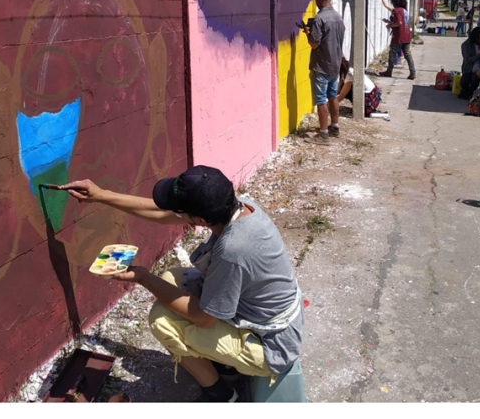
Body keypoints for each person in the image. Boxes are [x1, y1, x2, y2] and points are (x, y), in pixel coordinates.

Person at [60, 166, 304, 403]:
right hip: (259, 311)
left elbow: (204, 318)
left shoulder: (233, 250)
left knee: (163, 321)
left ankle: (221, 395)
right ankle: (226, 366)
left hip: (272, 346)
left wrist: (143, 277)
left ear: (199, 219)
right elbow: (162, 213)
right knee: (173, 278)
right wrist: (102, 196)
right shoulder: (238, 206)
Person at [303, 0, 345, 144]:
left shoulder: (320, 18)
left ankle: (323, 134)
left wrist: (308, 33)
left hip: (321, 65)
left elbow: (314, 44)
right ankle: (335, 126)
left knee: (321, 99)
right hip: (335, 64)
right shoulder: (338, 17)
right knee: (332, 95)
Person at [378, 0, 417, 80]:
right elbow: (395, 14)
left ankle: (389, 71)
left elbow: (399, 23)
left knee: (392, 53)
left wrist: (390, 24)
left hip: (399, 36)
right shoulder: (404, 10)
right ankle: (412, 72)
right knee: (408, 55)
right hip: (407, 36)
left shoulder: (397, 11)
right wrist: (383, 2)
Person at [458, 25, 480, 99]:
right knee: (463, 82)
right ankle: (466, 91)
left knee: (474, 80)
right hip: (468, 68)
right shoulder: (465, 45)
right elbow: (468, 60)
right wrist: (479, 54)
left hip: (478, 69)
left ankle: (469, 93)